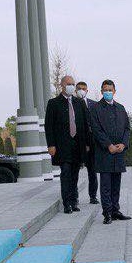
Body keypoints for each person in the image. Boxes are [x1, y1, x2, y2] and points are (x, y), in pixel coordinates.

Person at [89, 79, 131, 224]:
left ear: (114, 91)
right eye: (105, 90)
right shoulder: (95, 108)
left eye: (110, 89)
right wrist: (108, 145)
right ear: (101, 91)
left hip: (119, 153)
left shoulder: (120, 108)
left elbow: (126, 128)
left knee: (116, 184)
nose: (108, 92)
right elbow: (96, 130)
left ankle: (115, 210)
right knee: (106, 185)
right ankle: (107, 213)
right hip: (104, 153)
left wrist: (124, 144)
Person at [45, 75, 89, 214]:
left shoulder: (79, 103)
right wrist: (51, 145)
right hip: (62, 146)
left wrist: (87, 143)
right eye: (68, 84)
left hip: (77, 146)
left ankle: (74, 200)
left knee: (75, 175)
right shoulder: (53, 103)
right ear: (62, 85)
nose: (71, 86)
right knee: (65, 173)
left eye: (72, 84)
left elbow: (85, 125)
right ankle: (67, 203)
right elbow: (49, 126)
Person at [75, 81, 99, 206]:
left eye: (83, 88)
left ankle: (93, 196)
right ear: (75, 90)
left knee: (92, 172)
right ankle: (75, 197)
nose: (81, 90)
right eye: (79, 88)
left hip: (92, 144)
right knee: (75, 172)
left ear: (87, 90)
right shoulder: (71, 104)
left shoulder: (94, 105)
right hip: (77, 145)